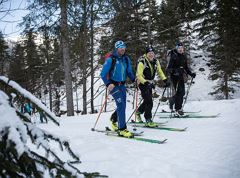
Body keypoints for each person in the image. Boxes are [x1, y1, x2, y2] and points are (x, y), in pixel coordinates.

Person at [100, 40, 135, 138]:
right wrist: (108, 84)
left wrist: (134, 80)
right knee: (121, 104)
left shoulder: (126, 59)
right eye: (120, 47)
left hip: (122, 86)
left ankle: (114, 119)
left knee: (122, 106)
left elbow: (129, 72)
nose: (122, 49)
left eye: (124, 47)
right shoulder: (111, 59)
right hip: (113, 86)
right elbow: (102, 74)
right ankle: (122, 129)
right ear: (116, 48)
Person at [136, 45, 170, 127]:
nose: (151, 55)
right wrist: (146, 83)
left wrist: (165, 80)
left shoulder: (155, 61)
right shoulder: (142, 62)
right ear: (146, 54)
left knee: (147, 100)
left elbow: (160, 71)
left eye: (152, 53)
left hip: (150, 84)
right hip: (142, 83)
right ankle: (148, 119)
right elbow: (139, 75)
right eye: (149, 53)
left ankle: (138, 112)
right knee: (149, 101)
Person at [166, 42, 196, 116]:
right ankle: (177, 109)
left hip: (180, 76)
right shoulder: (173, 56)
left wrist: (191, 74)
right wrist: (175, 71)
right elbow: (169, 68)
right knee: (179, 92)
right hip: (174, 76)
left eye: (182, 48)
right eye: (179, 48)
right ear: (177, 48)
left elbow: (185, 68)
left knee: (182, 93)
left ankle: (174, 105)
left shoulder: (183, 56)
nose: (180, 49)